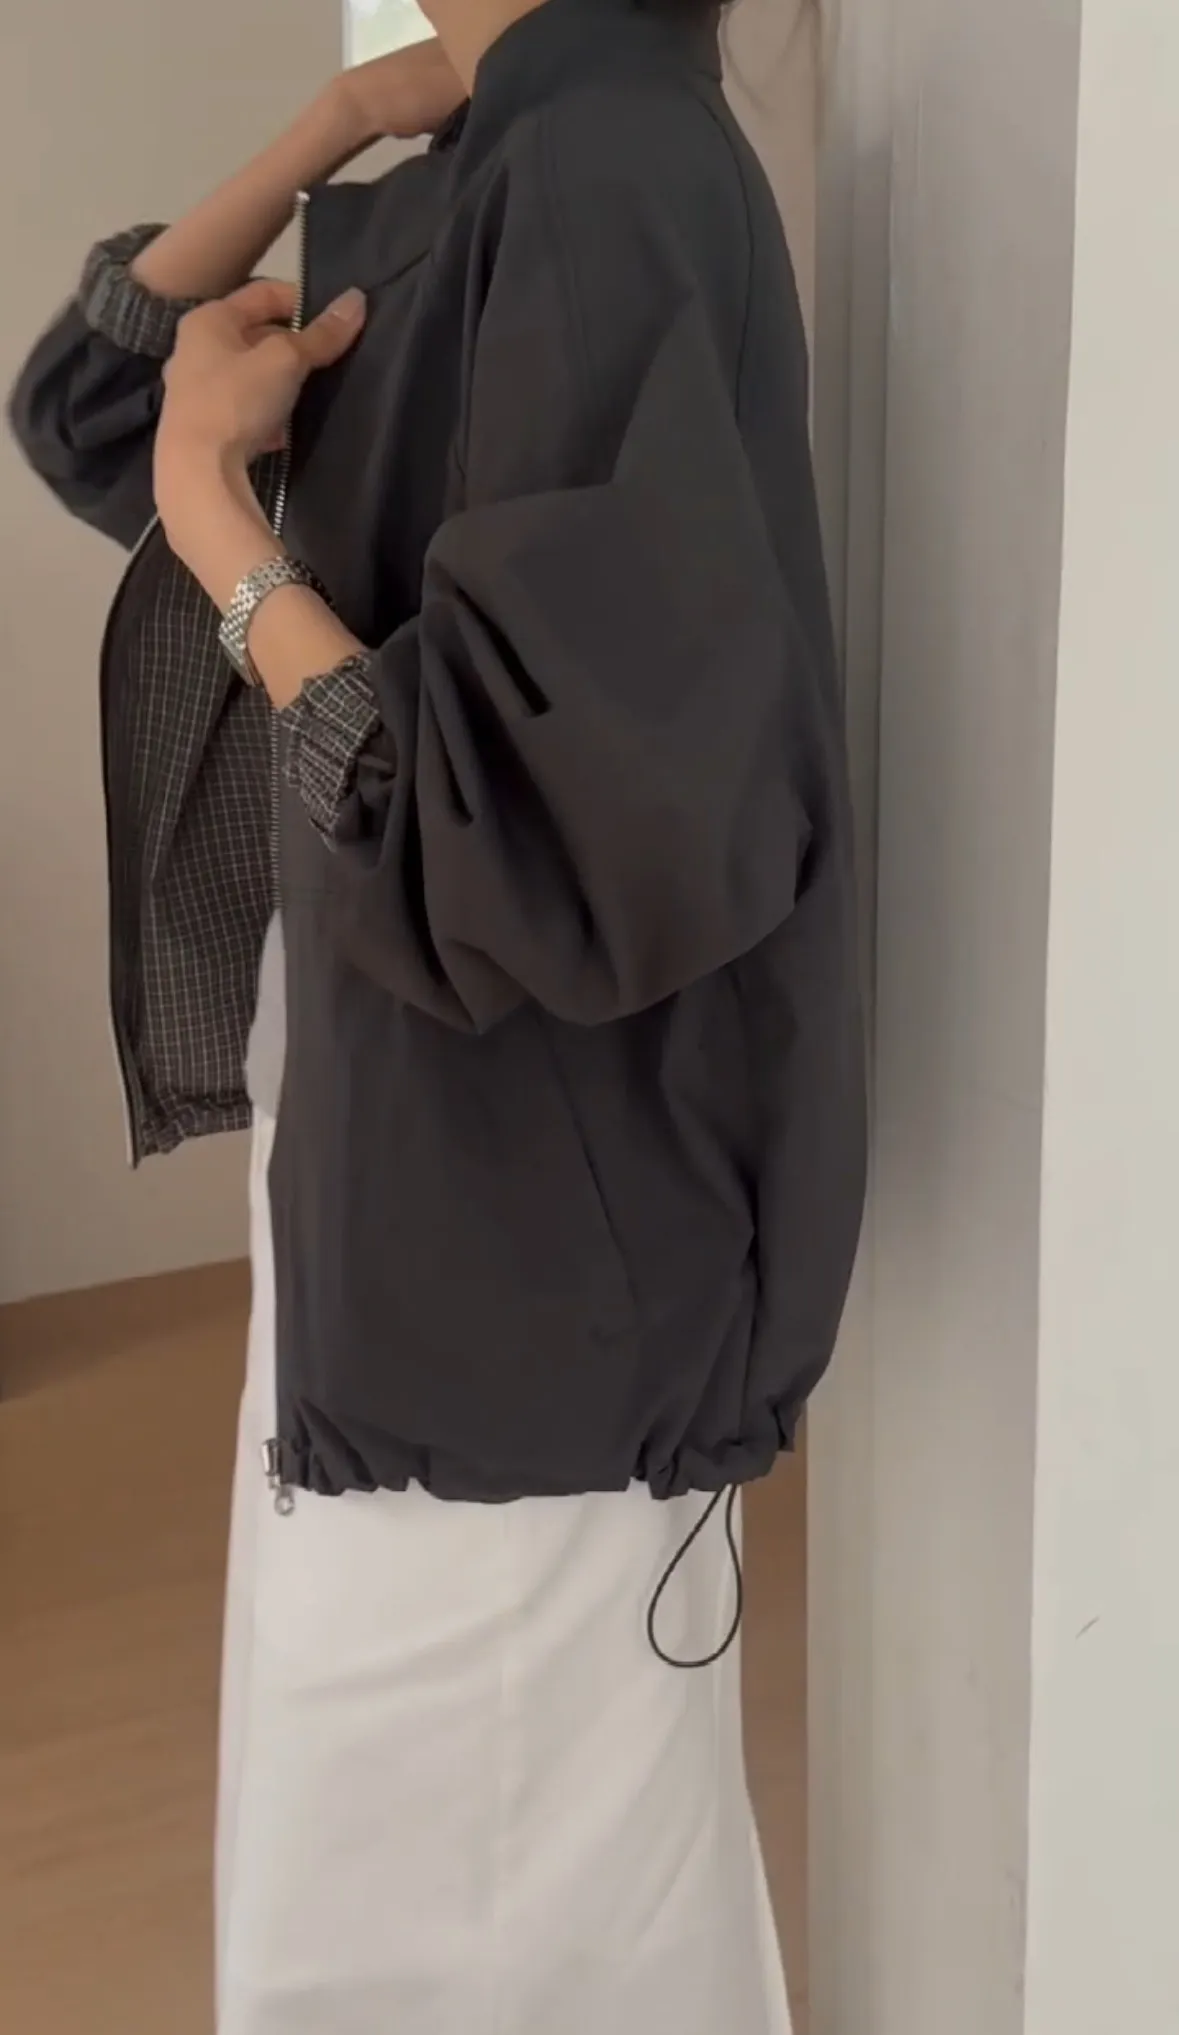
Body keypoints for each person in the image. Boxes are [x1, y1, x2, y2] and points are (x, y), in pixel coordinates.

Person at [9, 1, 864, 2028]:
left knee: (441, 1931)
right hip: (416, 1186)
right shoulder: (483, 173)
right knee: (410, 1897)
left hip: (518, 1249)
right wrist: (331, 122)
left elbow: (516, 826)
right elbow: (86, 409)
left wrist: (225, 535)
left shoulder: (606, 173)